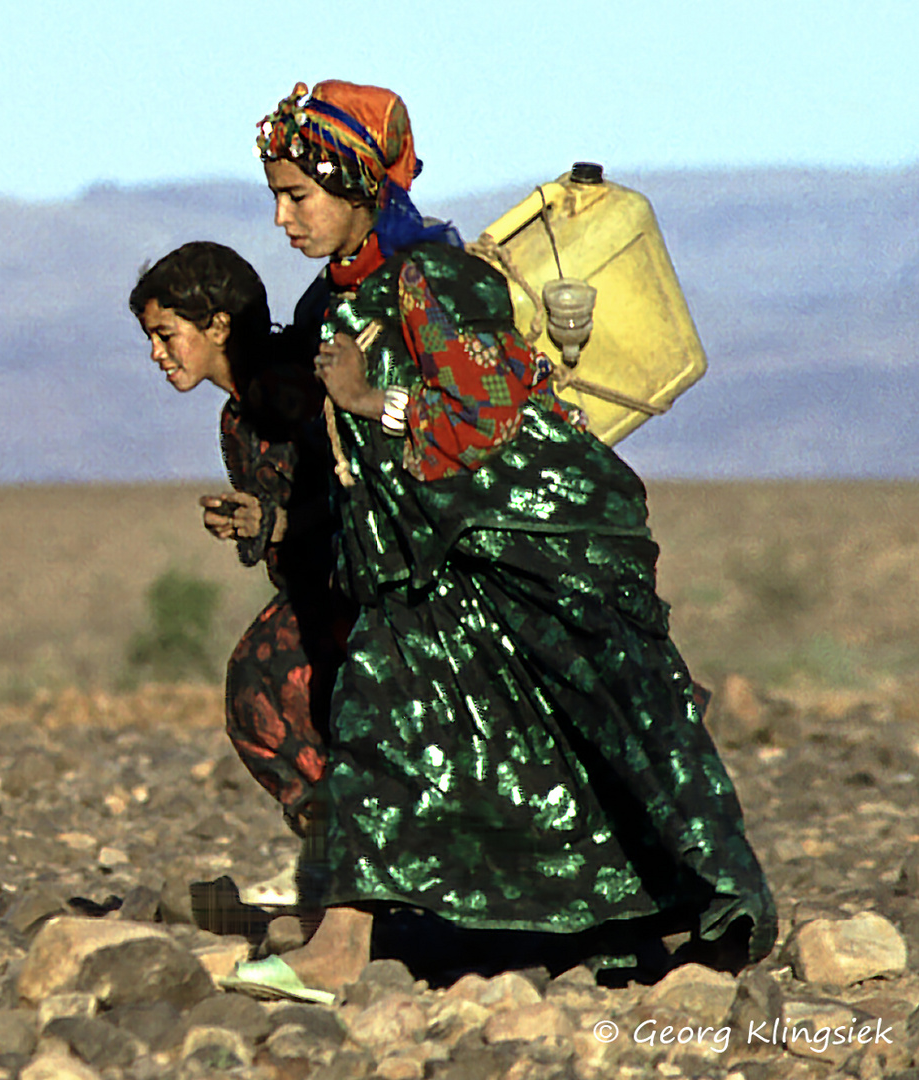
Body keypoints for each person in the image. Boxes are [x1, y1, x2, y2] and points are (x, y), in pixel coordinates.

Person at [226, 80, 776, 993]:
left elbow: (486, 420)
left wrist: (372, 400)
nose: (284, 217)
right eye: (276, 197)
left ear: (361, 187)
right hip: (424, 572)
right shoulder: (334, 303)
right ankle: (343, 946)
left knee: (605, 726)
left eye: (299, 194)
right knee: (385, 724)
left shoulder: (439, 284)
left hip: (531, 550)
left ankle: (695, 905)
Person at [128, 242, 347, 846]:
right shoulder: (240, 416)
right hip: (323, 592)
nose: (156, 353)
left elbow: (350, 490)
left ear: (218, 324)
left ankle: (354, 862)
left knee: (260, 683)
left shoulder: (287, 391)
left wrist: (274, 522)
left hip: (360, 590)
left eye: (166, 335)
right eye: (151, 337)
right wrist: (255, 524)